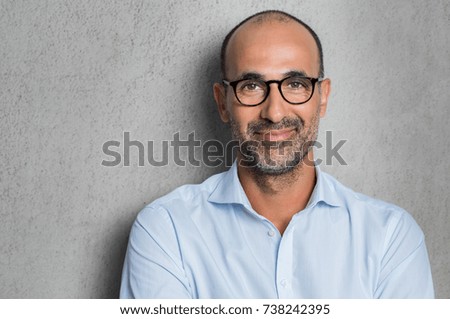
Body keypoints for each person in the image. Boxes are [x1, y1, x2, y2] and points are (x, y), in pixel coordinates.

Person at [120, 10, 434, 298]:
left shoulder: (390, 236)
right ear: (222, 102)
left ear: (322, 98)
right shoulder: (167, 230)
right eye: (251, 86)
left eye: (296, 84)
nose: (274, 111)